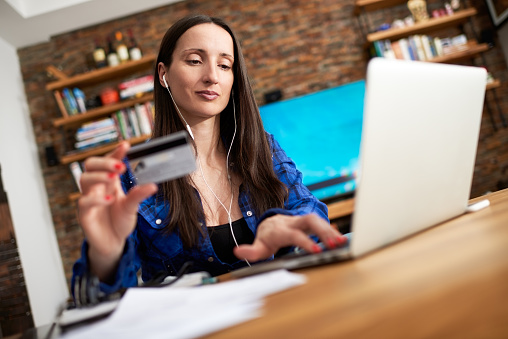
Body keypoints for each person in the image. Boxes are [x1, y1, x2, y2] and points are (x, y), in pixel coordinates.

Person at [72, 14, 346, 297]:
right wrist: (105, 255)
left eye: (224, 65)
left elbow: (311, 214)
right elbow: (107, 301)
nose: (212, 76)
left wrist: (290, 222)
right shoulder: (134, 175)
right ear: (163, 74)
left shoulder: (262, 148)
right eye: (194, 60)